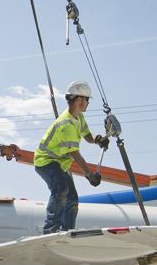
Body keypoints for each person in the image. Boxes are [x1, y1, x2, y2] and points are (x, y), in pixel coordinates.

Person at [34, 81, 109, 234]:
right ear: (79, 100)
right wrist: (89, 175)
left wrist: (98, 139)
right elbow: (75, 154)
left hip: (60, 164)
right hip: (46, 162)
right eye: (87, 100)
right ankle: (51, 229)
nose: (88, 103)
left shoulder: (78, 117)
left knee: (72, 197)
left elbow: (87, 136)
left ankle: (67, 230)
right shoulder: (66, 124)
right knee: (61, 189)